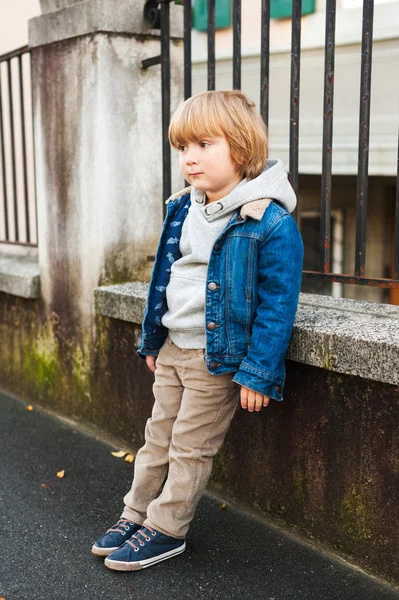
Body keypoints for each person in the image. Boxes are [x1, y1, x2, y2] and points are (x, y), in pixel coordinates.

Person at [92, 90, 304, 572]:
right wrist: (153, 338)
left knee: (190, 447)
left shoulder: (268, 222)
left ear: (241, 147)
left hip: (217, 359)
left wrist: (257, 371)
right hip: (172, 349)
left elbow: (278, 303)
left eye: (203, 144)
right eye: (182, 147)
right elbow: (164, 279)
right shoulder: (183, 208)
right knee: (156, 438)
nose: (189, 158)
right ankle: (136, 514)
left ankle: (167, 528)